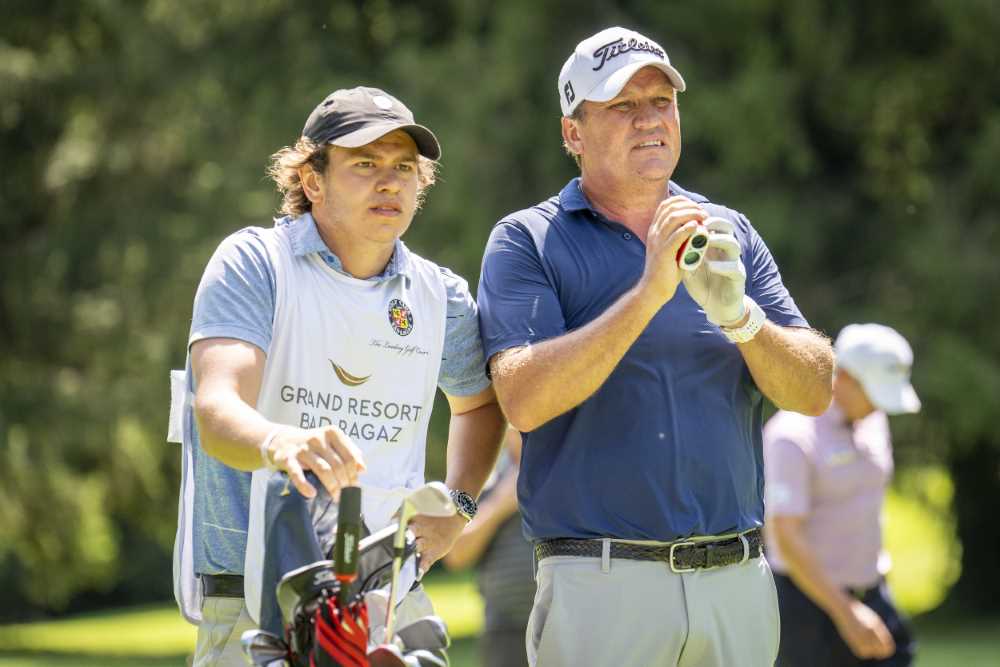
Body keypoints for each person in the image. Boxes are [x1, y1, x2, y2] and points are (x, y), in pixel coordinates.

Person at [476, 26, 834, 667]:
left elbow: (813, 389)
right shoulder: (526, 241)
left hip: (737, 581)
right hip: (603, 587)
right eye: (622, 106)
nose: (650, 121)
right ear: (573, 134)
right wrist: (648, 292)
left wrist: (741, 317)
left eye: (661, 102)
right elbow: (525, 399)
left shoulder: (730, 233)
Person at [169, 86, 506, 666]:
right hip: (253, 608)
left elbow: (479, 404)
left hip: (386, 607)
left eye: (405, 167)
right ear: (312, 180)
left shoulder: (439, 295)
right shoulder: (256, 263)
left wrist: (460, 505)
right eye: (365, 163)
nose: (391, 182)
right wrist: (282, 441)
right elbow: (217, 406)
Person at [764, 323, 920, 666]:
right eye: (875, 392)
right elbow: (785, 536)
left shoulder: (872, 421)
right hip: (807, 607)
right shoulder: (791, 435)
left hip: (872, 592)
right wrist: (846, 612)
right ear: (844, 377)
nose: (881, 406)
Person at [443, 427, 535, 667]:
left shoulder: (564, 474)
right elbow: (454, 554)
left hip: (563, 622)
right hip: (505, 629)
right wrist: (500, 504)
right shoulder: (484, 480)